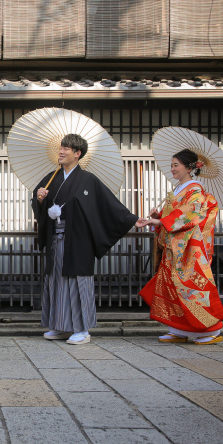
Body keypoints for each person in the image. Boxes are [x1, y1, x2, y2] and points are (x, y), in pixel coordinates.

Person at [32, 134, 148, 345]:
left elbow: (107, 205)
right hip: (56, 240)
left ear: (78, 154)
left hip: (78, 241)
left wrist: (131, 219)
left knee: (78, 282)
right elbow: (39, 205)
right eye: (61, 147)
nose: (61, 151)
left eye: (66, 148)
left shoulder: (88, 180)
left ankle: (82, 328)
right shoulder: (51, 177)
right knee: (56, 281)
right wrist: (40, 200)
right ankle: (60, 326)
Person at [139, 148, 223, 344]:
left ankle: (209, 330)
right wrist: (158, 217)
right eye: (171, 165)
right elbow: (172, 216)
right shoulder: (179, 189)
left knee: (191, 287)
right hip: (174, 247)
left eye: (175, 165)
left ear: (189, 167)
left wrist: (162, 222)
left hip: (189, 248)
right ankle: (178, 328)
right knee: (171, 287)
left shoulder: (195, 191)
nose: (172, 169)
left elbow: (189, 215)